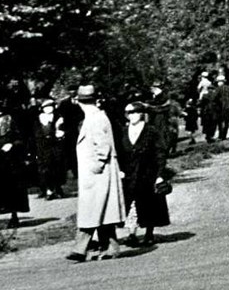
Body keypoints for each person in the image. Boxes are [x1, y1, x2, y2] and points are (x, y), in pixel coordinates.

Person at [70, 85, 126, 262]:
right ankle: (110, 247)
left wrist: (97, 164)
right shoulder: (97, 117)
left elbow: (103, 146)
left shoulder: (94, 119)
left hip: (97, 173)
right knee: (102, 210)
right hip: (99, 173)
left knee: (92, 210)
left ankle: (80, 248)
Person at [119, 101, 170, 245]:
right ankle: (132, 233)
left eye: (135, 112)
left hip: (148, 173)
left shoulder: (151, 131)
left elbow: (160, 152)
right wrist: (120, 170)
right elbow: (119, 153)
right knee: (131, 204)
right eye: (129, 113)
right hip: (129, 174)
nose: (132, 115)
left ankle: (149, 233)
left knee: (149, 204)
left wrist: (160, 174)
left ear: (142, 113)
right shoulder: (124, 131)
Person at [32, 98, 68, 199]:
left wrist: (60, 132)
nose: (48, 109)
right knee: (44, 168)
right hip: (42, 147)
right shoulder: (38, 119)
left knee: (57, 167)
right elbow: (35, 133)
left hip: (55, 146)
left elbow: (62, 130)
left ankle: (57, 188)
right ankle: (47, 189)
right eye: (46, 107)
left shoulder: (58, 118)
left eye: (50, 107)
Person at [212, 72, 229, 141]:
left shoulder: (218, 89)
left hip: (221, 107)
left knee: (220, 122)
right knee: (226, 122)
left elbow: (214, 98)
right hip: (228, 106)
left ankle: (220, 135)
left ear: (220, 82)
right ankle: (224, 135)